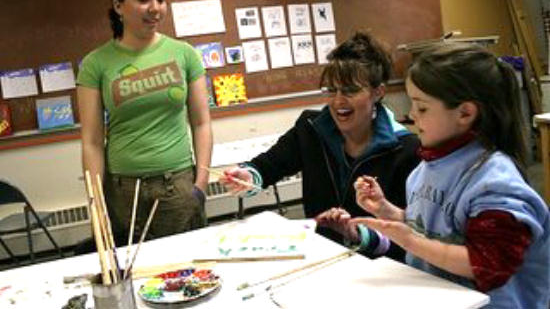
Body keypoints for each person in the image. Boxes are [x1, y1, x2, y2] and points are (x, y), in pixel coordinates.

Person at [352, 43, 550, 308]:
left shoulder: (495, 184)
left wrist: (410, 241)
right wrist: (389, 212)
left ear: (465, 113)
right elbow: (432, 227)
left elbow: (488, 265)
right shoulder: (426, 168)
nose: (411, 115)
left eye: (422, 108)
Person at [218, 31, 420, 261]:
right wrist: (247, 176)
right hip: (320, 254)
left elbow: (410, 234)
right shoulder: (311, 127)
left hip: (380, 267)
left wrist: (358, 234)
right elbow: (269, 165)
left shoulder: (405, 149)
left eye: (350, 91)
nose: (338, 101)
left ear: (378, 92)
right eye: (331, 90)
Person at [77, 0, 212, 242]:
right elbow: (91, 140)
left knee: (188, 270)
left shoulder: (185, 54)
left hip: (178, 185)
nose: (155, 8)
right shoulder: (96, 63)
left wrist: (200, 184)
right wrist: (96, 202)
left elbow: (201, 123)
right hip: (124, 191)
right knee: (135, 274)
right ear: (118, 6)